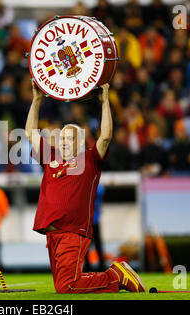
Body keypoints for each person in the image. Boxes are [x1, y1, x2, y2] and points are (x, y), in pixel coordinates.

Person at [25, 81, 146, 293]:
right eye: (61, 137)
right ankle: (116, 275)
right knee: (66, 284)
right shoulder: (50, 157)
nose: (62, 141)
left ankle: (115, 275)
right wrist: (36, 100)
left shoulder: (89, 160)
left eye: (69, 138)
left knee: (67, 286)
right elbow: (30, 134)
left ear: (79, 142)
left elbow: (106, 136)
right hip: (52, 235)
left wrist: (105, 101)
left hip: (73, 231)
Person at [84, 184, 106, 272]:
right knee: (86, 246)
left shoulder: (98, 187)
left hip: (94, 221)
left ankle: (101, 267)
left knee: (98, 246)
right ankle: (87, 267)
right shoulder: (96, 187)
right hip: (86, 222)